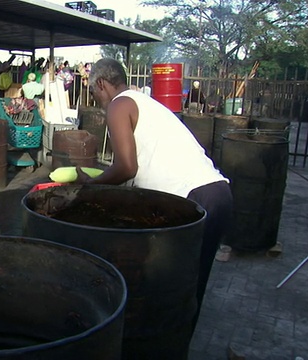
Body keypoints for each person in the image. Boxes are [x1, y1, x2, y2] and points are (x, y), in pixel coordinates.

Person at [76, 58, 233, 333]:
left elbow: (126, 167)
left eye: (93, 93)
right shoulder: (145, 102)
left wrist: (92, 186)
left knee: (165, 291)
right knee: (188, 290)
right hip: (218, 194)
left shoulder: (119, 104)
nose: (97, 101)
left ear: (101, 84)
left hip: (194, 198)